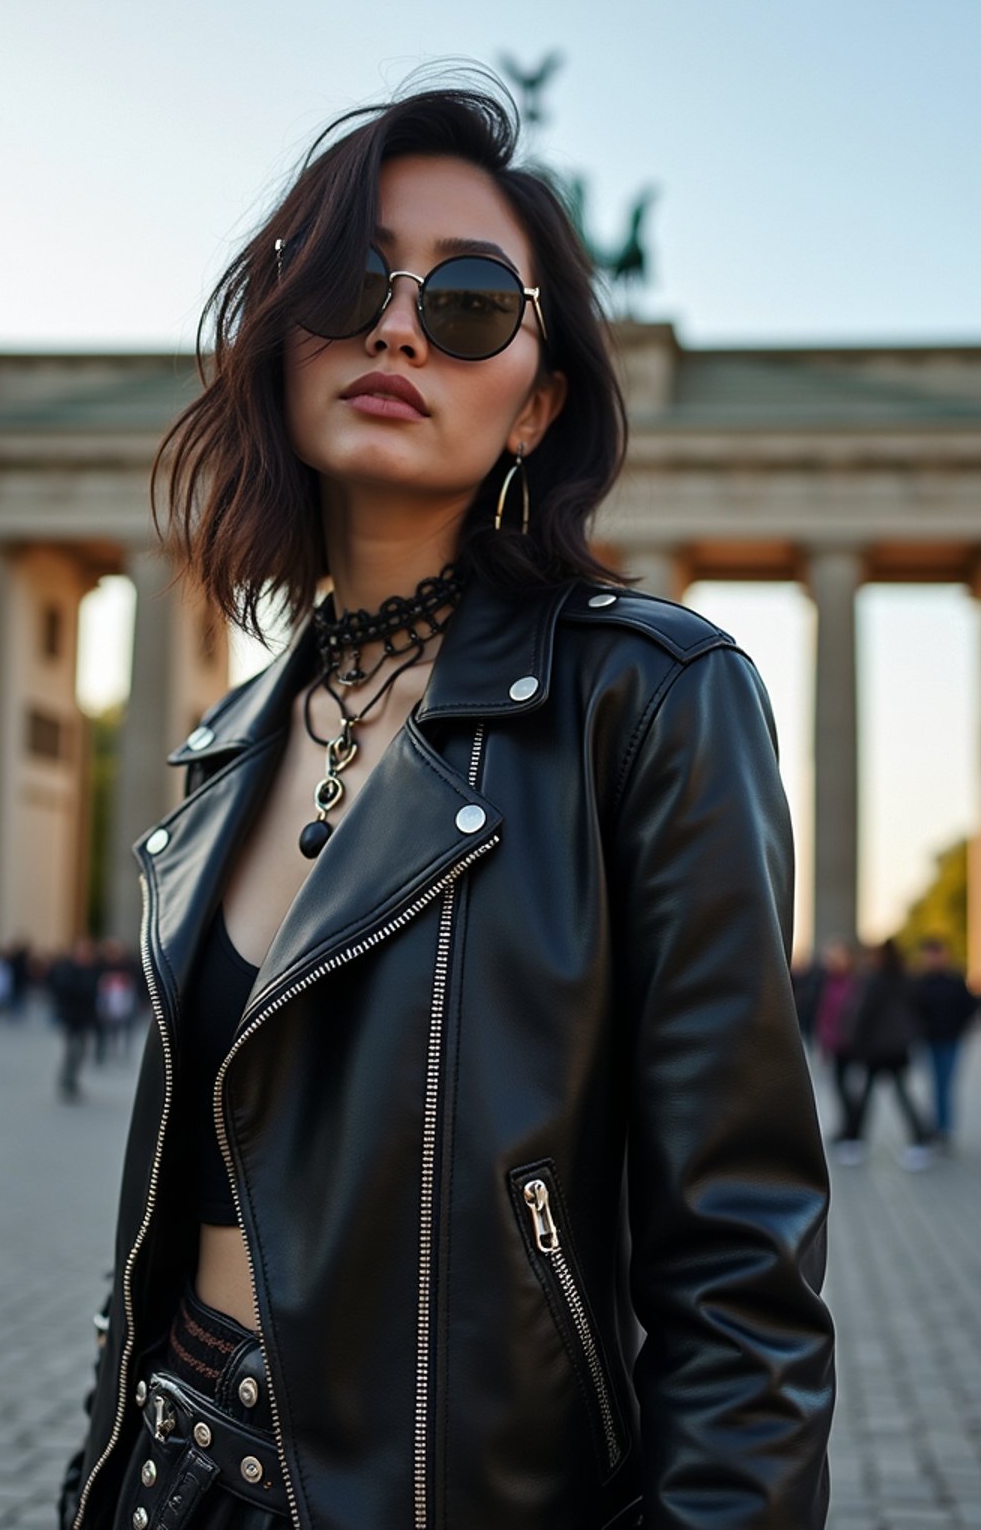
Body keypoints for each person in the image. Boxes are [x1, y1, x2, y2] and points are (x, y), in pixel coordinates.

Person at [59, 81, 834, 1530]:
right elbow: (152, 1233)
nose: (399, 326)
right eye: (352, 282)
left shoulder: (654, 699)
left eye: (471, 301)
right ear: (283, 337)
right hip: (174, 1472)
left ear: (538, 400)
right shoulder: (224, 748)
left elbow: (744, 1279)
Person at [842, 938, 931, 1169]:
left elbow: (863, 1013)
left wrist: (854, 1042)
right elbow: (919, 1011)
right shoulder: (907, 979)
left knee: (865, 1097)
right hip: (899, 1047)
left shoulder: (874, 980)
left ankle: (853, 1143)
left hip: (875, 1047)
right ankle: (919, 1143)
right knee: (903, 1095)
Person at [912, 935, 978, 1151]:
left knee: (944, 1085)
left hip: (950, 1040)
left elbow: (969, 1007)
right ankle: (937, 1126)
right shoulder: (921, 981)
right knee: (934, 1085)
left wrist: (960, 1028)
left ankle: (944, 1129)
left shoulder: (955, 980)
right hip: (929, 1040)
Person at [812, 940, 862, 1146]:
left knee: (851, 1091)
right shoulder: (828, 982)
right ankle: (845, 1129)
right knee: (839, 1089)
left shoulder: (856, 983)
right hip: (834, 1045)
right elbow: (824, 1014)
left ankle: (853, 1132)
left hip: (851, 1046)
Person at [49, 937, 101, 1101]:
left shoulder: (94, 969)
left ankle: (73, 1080)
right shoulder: (67, 968)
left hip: (86, 1017)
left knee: (81, 1052)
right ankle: (66, 1081)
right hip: (70, 1017)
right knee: (72, 1050)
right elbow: (62, 989)